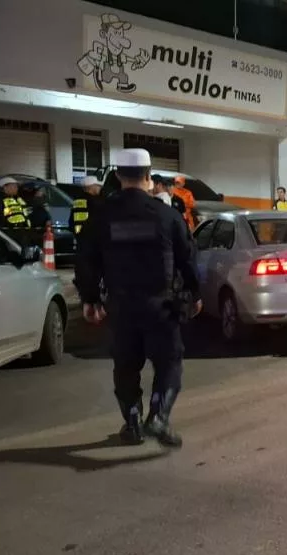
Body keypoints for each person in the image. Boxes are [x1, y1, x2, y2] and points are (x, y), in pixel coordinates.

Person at [74, 148, 201, 447]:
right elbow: (188, 258)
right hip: (161, 305)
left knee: (126, 366)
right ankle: (158, 416)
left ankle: (132, 422)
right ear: (148, 175)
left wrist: (90, 298)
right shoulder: (167, 214)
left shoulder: (101, 215)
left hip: (120, 306)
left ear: (118, 176)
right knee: (169, 362)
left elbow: (86, 260)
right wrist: (195, 293)